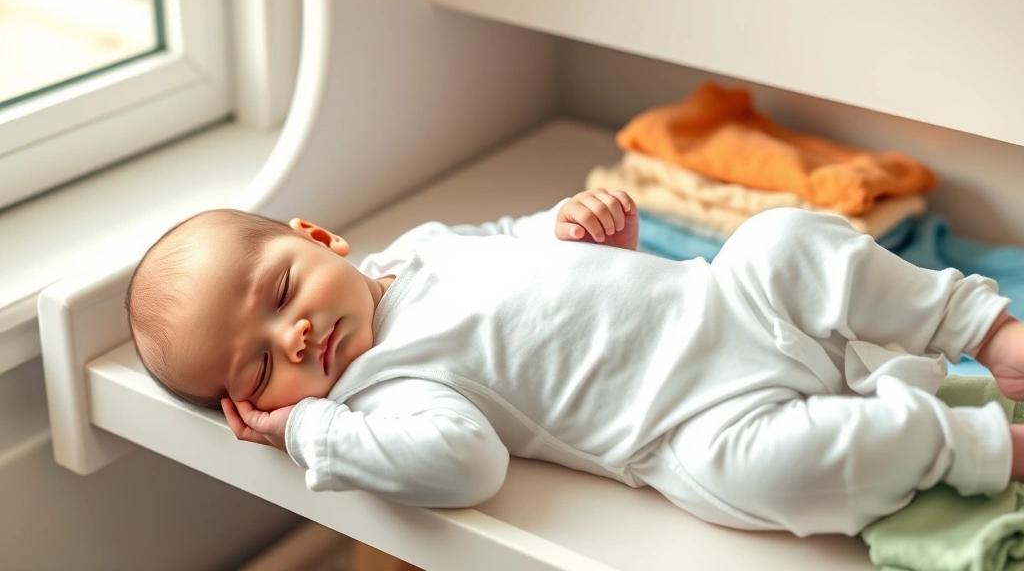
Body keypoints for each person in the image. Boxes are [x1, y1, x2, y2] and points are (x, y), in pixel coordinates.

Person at [124, 188, 1024, 537]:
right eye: (255, 373)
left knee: (785, 236)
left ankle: (983, 331)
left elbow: (513, 238)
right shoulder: (378, 393)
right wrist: (312, 429)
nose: (293, 340)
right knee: (782, 473)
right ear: (253, 406)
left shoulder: (423, 247)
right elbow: (463, 462)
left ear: (316, 238)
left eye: (281, 292)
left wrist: (578, 232)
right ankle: (973, 447)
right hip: (688, 425)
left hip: (724, 299)